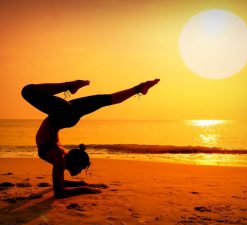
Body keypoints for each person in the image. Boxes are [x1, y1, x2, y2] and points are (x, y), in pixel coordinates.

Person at [21, 78, 160, 198]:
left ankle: (138, 89)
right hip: (65, 116)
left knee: (105, 100)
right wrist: (84, 188)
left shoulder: (59, 158)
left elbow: (59, 186)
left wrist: (83, 184)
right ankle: (138, 89)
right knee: (104, 100)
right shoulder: (59, 158)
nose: (80, 172)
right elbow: (60, 190)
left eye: (81, 169)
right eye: (81, 168)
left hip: (65, 116)